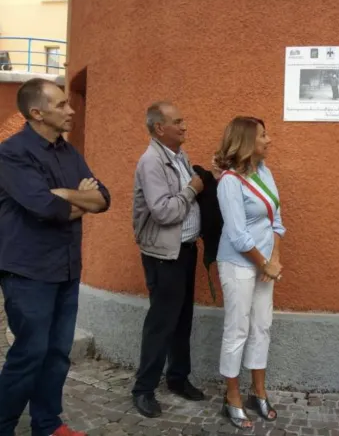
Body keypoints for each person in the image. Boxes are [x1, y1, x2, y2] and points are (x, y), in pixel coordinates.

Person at [0, 78, 111, 436]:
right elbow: (46, 208)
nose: (71, 110)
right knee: (30, 354)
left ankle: (47, 425)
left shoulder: (68, 151)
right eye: (62, 104)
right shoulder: (12, 153)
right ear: (37, 112)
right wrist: (74, 199)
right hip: (28, 272)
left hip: (66, 268)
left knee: (58, 353)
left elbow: (103, 198)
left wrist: (64, 195)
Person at [131, 101, 206, 418]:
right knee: (161, 324)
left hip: (184, 251)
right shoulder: (152, 162)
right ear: (159, 128)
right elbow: (163, 211)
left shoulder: (178, 156)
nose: (185, 125)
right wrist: (192, 189)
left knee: (182, 320)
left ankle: (177, 378)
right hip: (164, 257)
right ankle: (143, 389)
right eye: (178, 121)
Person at [214, 116, 285, 429]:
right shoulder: (229, 181)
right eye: (262, 136)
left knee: (262, 327)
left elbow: (277, 221)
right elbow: (237, 234)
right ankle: (232, 396)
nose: (269, 141)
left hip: (265, 265)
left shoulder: (265, 172)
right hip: (238, 265)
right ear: (245, 142)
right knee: (237, 329)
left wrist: (275, 259)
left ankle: (258, 392)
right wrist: (263, 262)